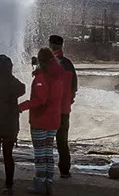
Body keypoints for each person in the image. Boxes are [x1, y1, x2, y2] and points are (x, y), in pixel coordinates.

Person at [18, 47, 70, 195]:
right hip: (54, 119)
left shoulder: (42, 78)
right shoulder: (58, 75)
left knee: (40, 154)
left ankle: (39, 184)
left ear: (41, 61)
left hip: (41, 120)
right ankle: (48, 183)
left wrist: (20, 107)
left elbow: (40, 100)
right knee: (48, 153)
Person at [0, 54, 27, 195]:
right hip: (9, 124)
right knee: (8, 155)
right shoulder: (13, 83)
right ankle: (8, 186)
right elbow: (23, 89)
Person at [48, 35, 78, 179]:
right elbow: (74, 87)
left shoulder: (48, 64)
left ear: (51, 45)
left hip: (49, 111)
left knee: (46, 141)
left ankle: (45, 171)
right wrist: (68, 102)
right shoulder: (68, 64)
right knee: (62, 141)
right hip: (64, 111)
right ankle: (65, 170)